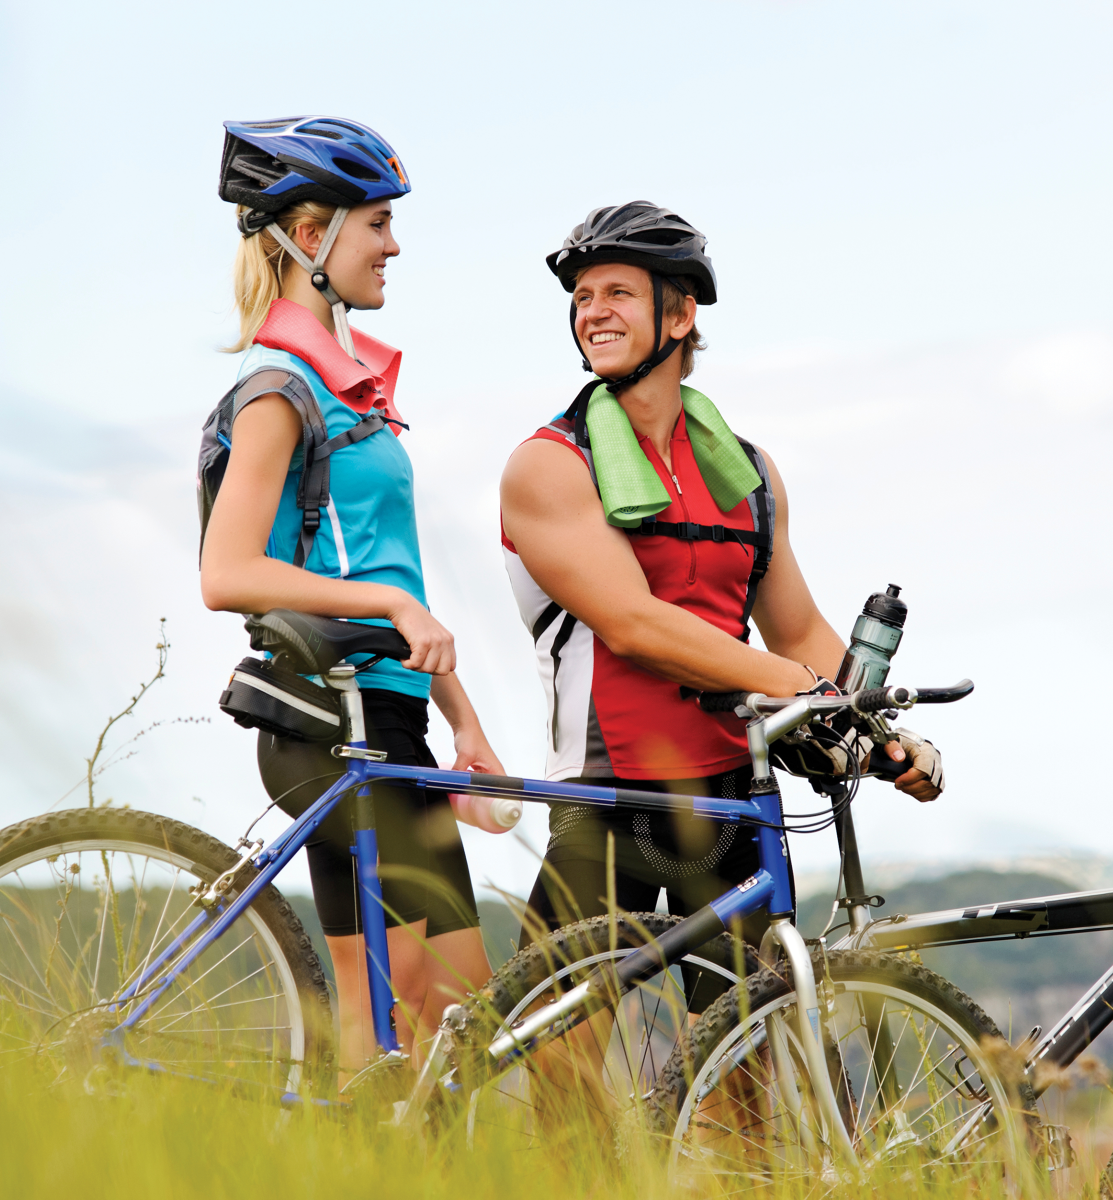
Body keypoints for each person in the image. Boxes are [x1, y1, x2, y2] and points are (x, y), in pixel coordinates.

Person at [499, 202, 944, 951]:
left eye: (617, 293)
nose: (592, 313)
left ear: (680, 315)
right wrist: (806, 690)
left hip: (739, 797)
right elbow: (635, 627)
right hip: (609, 796)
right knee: (558, 1062)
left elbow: (797, 629)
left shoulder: (750, 475)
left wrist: (877, 729)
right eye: (581, 297)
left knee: (749, 1052)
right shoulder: (550, 464)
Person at [200, 116, 502, 1083]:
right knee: (455, 1015)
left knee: (388, 1048)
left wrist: (467, 728)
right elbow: (227, 570)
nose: (394, 243)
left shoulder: (351, 386)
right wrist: (393, 607)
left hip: (387, 716)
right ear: (310, 234)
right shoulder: (281, 387)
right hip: (337, 718)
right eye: (377, 222)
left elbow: (398, 587)